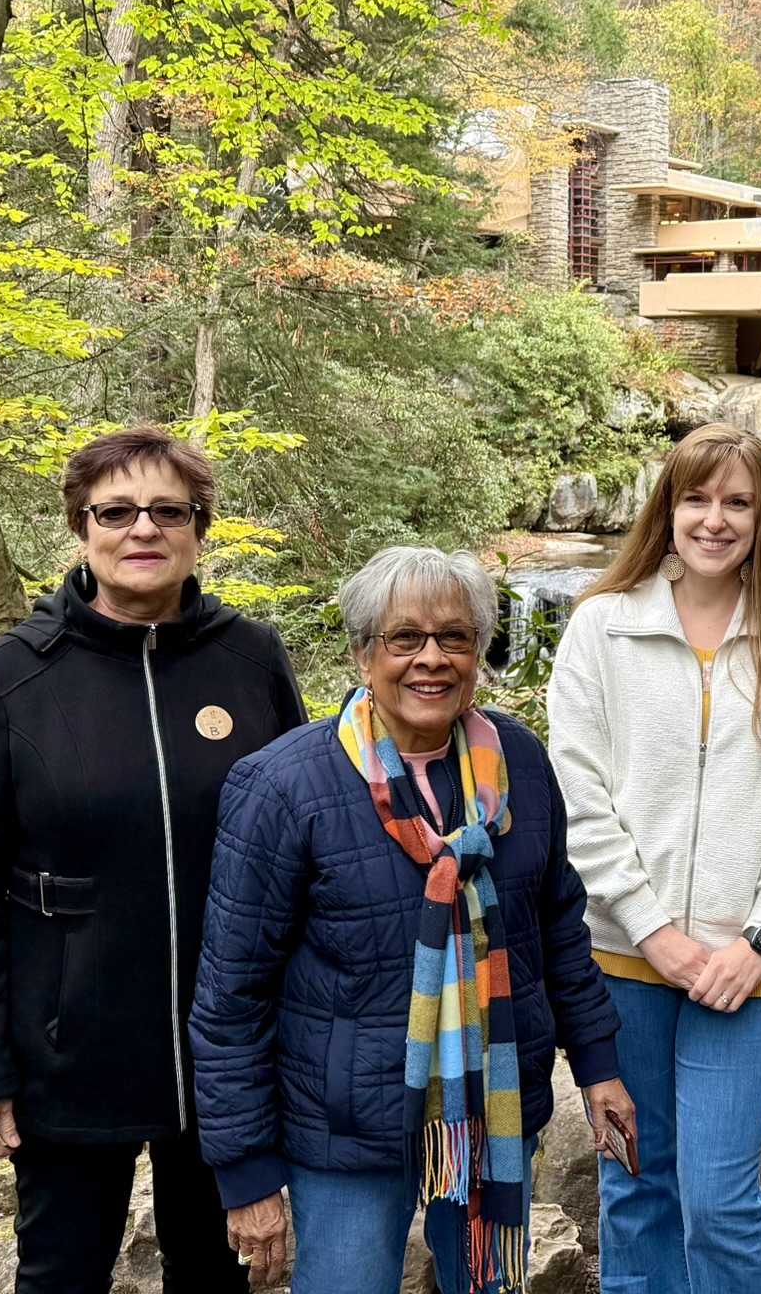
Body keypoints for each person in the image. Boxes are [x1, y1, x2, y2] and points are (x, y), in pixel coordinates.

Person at [0, 427, 309, 1294]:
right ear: (81, 528)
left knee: (215, 1277)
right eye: (117, 511)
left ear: (198, 528)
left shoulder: (251, 660)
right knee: (62, 1274)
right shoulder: (8, 679)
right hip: (68, 1048)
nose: (143, 529)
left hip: (229, 1056)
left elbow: (305, 849)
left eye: (168, 511)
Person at [192, 546, 634, 1294]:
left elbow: (557, 926)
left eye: (454, 638)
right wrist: (245, 1172)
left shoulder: (520, 765)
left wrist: (598, 1066)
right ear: (364, 655)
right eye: (405, 639)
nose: (431, 660)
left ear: (478, 654)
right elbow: (231, 996)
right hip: (348, 1127)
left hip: (492, 1113)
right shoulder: (282, 786)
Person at [547, 423, 761, 1294]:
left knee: (719, 1198)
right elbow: (580, 799)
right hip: (621, 957)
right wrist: (654, 933)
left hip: (749, 968)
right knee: (636, 1181)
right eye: (696, 498)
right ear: (667, 507)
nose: (714, 520)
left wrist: (755, 940)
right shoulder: (600, 630)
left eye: (737, 502)